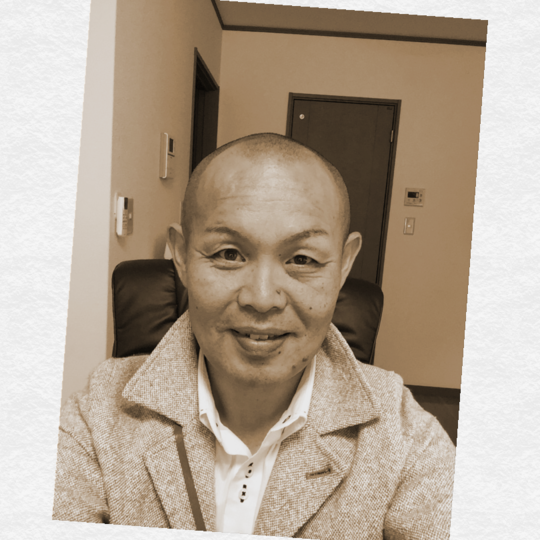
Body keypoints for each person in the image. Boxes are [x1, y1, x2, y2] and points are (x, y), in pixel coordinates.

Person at [53, 133, 455, 538]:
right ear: (181, 256)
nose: (262, 299)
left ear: (344, 265)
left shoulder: (403, 438)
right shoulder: (98, 415)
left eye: (302, 259)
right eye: (229, 254)